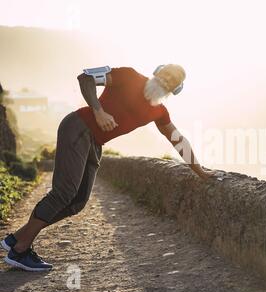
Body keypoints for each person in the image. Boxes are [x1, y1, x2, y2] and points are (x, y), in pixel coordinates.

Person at [1, 64, 216, 271]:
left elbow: (178, 140)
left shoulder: (159, 112)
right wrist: (98, 111)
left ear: (175, 89)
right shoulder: (129, 76)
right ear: (158, 70)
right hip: (78, 126)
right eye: (166, 73)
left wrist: (200, 171)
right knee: (64, 193)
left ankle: (17, 237)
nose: (166, 79)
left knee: (77, 202)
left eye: (172, 80)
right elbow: (85, 78)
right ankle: (20, 249)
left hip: (95, 143)